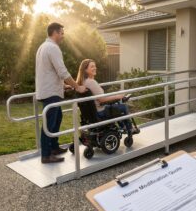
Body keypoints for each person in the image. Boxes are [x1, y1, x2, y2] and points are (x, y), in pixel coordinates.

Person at [36, 22, 86, 163]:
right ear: (55, 33)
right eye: (62, 33)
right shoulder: (53, 48)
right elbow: (62, 71)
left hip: (49, 90)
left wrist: (63, 85)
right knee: (49, 124)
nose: (63, 36)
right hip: (50, 93)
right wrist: (77, 86)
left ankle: (53, 147)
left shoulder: (42, 47)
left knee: (57, 118)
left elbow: (48, 72)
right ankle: (46, 155)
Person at [76, 59, 137, 134]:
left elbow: (99, 97)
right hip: (100, 111)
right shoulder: (91, 82)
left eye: (95, 66)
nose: (95, 68)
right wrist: (117, 96)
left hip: (91, 113)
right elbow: (102, 99)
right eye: (92, 66)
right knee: (123, 107)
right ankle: (130, 129)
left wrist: (115, 96)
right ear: (85, 70)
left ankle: (123, 127)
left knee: (115, 107)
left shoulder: (82, 82)